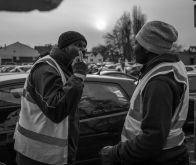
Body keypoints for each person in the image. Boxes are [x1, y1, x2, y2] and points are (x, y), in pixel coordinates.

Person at [100, 21, 190, 165]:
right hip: (169, 154)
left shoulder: (159, 82)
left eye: (136, 44)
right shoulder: (170, 67)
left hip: (159, 159)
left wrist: (114, 154)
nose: (134, 49)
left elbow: (152, 140)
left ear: (148, 48)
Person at [14, 31, 88, 165]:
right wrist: (77, 76)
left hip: (53, 155)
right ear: (65, 47)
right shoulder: (46, 68)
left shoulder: (65, 68)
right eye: (78, 45)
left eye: (84, 46)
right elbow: (56, 109)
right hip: (37, 156)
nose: (82, 49)